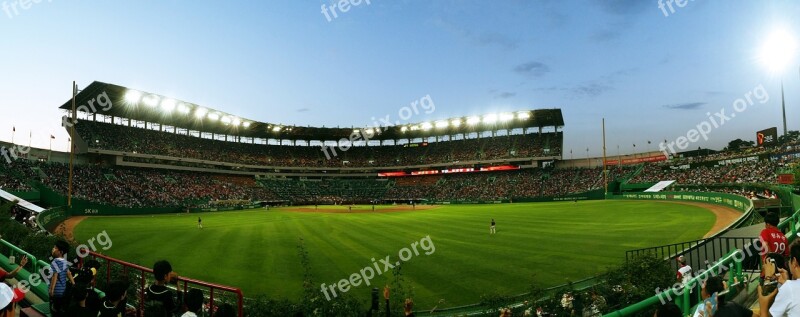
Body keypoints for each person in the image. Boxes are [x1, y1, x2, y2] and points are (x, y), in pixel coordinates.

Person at [759, 240, 800, 317]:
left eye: (789, 258)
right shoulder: (788, 287)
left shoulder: (789, 288)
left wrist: (767, 277)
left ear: (794, 262)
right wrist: (786, 284)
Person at [48, 240, 75, 317]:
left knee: (54, 310)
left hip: (56, 291)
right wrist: (74, 284)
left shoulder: (55, 262)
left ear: (61, 252)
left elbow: (55, 276)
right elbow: (69, 273)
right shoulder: (65, 262)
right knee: (60, 309)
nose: (53, 249)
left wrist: (51, 290)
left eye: (55, 248)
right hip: (63, 290)